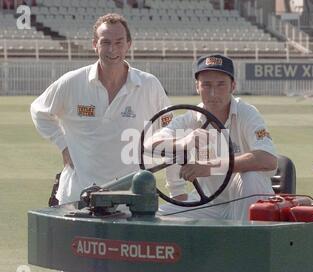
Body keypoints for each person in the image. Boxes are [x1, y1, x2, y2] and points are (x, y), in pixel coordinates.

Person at [31, 13, 171, 204]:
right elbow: (39, 111)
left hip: (129, 198)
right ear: (94, 44)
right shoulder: (73, 82)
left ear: (129, 44)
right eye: (105, 42)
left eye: (119, 42)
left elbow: (169, 133)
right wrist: (63, 146)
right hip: (76, 196)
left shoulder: (149, 85)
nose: (112, 49)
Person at [147, 54, 278, 221]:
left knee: (251, 177)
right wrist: (182, 142)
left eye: (221, 84)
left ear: (233, 86)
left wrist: (211, 166)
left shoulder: (247, 113)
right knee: (158, 218)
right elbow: (150, 144)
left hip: (246, 199)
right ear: (197, 87)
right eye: (206, 85)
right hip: (210, 202)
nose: (213, 92)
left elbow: (268, 159)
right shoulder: (192, 117)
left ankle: (247, 243)